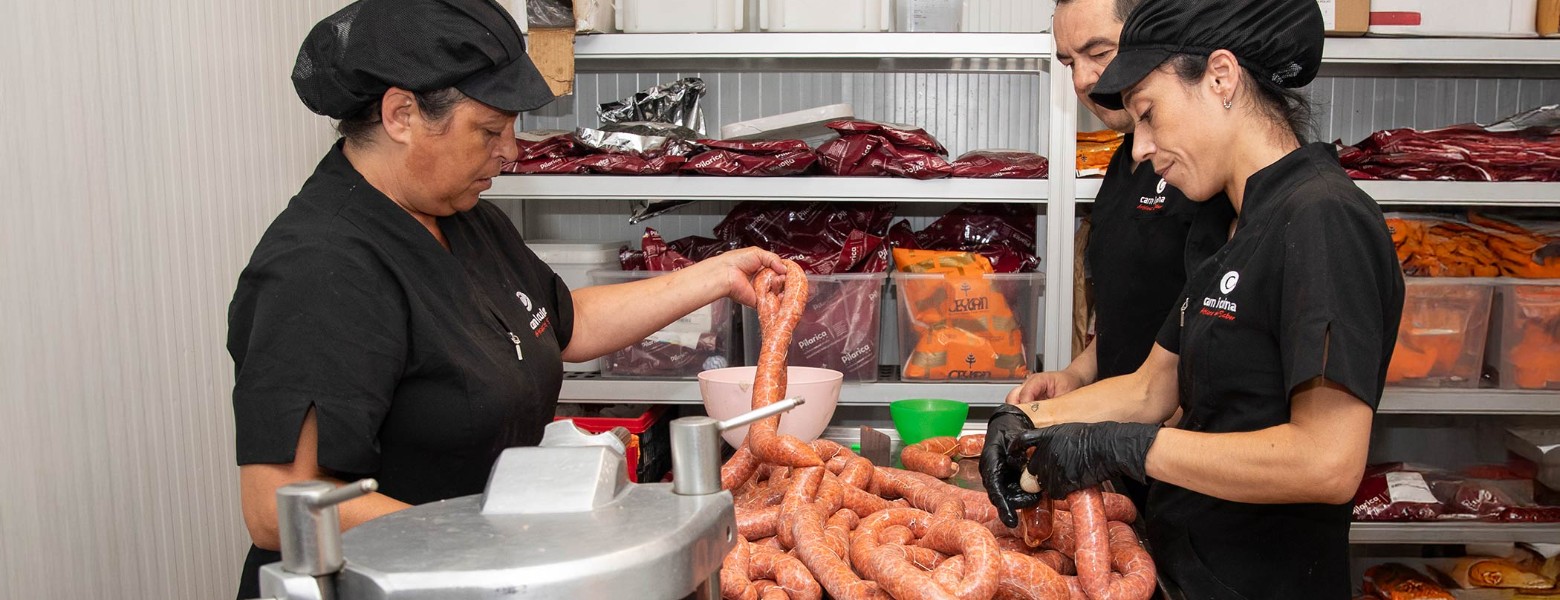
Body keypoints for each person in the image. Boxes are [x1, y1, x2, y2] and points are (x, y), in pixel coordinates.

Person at [227, 1, 787, 597]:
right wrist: (497, 538)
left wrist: (719, 276)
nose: (511, 152)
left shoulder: (464, 219)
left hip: (488, 575)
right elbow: (277, 508)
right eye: (489, 130)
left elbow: (562, 326)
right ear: (401, 114)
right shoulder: (318, 267)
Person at [981, 0, 1406, 597]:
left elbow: (1327, 462)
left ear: (1221, 77)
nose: (1139, 149)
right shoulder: (1234, 224)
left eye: (1150, 114)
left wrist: (1126, 447)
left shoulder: (1321, 217)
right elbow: (1154, 386)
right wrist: (1027, 421)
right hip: (1194, 572)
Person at [1006, 0, 1233, 507]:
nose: (1083, 80)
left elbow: (1205, 352)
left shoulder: (1206, 169)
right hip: (1120, 449)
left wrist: (1115, 435)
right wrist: (1077, 377)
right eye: (1068, 62)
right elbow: (1133, 315)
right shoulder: (1124, 161)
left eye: (1098, 52)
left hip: (1192, 466)